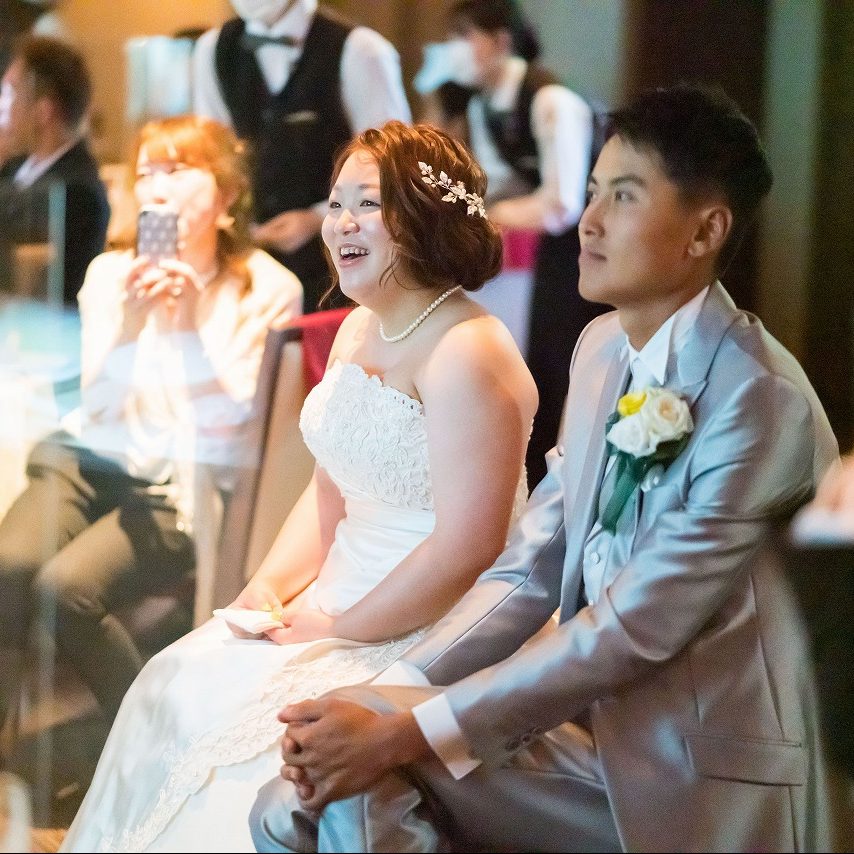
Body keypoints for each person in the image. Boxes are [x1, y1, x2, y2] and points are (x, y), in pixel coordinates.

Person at [251, 84, 843, 853]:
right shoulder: (601, 350)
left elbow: (628, 629)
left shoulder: (759, 400)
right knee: (289, 798)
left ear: (705, 231)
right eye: (592, 190)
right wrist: (387, 692)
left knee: (359, 782)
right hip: (583, 727)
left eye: (623, 197)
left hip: (694, 767)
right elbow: (528, 567)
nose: (587, 220)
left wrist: (403, 730)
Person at [60, 120, 536, 853]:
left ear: (424, 216)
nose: (342, 222)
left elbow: (467, 550)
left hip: (432, 623)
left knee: (252, 746)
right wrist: (267, 587)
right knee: (173, 679)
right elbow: (330, 487)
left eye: (368, 203)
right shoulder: (358, 329)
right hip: (335, 597)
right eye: (336, 203)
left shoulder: (467, 348)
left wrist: (337, 628)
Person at [0, 115, 302, 728]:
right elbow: (97, 408)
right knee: (9, 568)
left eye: (177, 169)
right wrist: (133, 323)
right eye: (146, 173)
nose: (156, 187)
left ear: (226, 195)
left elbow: (229, 431)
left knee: (67, 592)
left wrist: (186, 323)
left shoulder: (267, 288)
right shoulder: (111, 276)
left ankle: (150, 743)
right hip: (89, 462)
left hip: (175, 489)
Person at [424, 0, 610, 490]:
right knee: (536, 363)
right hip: (542, 256)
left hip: (582, 250)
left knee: (564, 366)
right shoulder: (481, 105)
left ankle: (566, 483)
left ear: (501, 41)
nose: (454, 49)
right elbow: (497, 185)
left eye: (465, 35)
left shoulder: (552, 101)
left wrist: (491, 216)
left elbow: (562, 203)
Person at [192, 0, 412, 315]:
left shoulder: (360, 49)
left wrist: (317, 218)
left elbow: (391, 166)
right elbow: (214, 154)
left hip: (340, 262)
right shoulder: (212, 50)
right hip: (251, 266)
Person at [0, 34, 109, 303]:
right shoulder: (14, 166)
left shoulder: (76, 190)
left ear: (43, 111)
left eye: (10, 94)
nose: (3, 108)